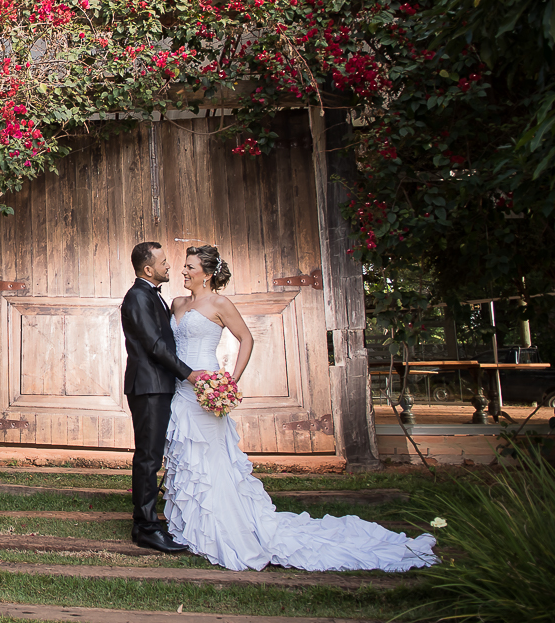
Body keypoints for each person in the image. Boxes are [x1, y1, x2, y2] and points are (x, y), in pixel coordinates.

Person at [163, 244, 439, 572]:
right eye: (185, 266)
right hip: (181, 389)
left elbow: (246, 339)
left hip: (209, 388)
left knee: (210, 458)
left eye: (190, 267)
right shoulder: (177, 303)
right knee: (185, 452)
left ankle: (220, 526)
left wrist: (230, 382)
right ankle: (190, 524)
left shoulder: (220, 303)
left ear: (207, 274)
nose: (184, 271)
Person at [120, 241, 205, 552]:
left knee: (153, 455)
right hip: (148, 387)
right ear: (148, 269)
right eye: (163, 261)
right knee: (148, 457)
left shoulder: (152, 295)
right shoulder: (137, 297)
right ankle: (145, 527)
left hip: (159, 385)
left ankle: (149, 522)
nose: (169, 266)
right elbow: (155, 346)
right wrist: (190, 373)